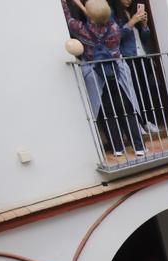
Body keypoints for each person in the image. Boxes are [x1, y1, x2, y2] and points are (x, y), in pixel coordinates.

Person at [64, 0, 146, 157]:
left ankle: (118, 149)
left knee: (107, 111)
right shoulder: (114, 29)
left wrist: (76, 5)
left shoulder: (83, 31)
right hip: (117, 72)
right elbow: (109, 22)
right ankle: (139, 147)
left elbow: (69, 19)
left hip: (96, 75)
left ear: (90, 15)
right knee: (126, 107)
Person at [111, 0, 161, 136]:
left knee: (146, 90)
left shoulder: (133, 12)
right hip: (128, 57)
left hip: (142, 56)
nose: (129, 0)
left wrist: (144, 25)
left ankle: (147, 121)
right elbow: (114, 38)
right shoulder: (113, 14)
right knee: (132, 92)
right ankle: (138, 123)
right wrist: (131, 23)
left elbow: (145, 38)